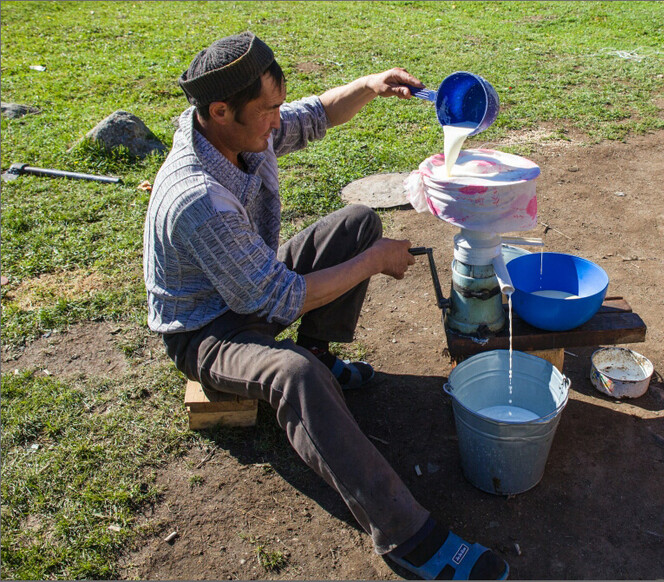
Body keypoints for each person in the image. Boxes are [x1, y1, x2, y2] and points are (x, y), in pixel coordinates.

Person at [143, 32, 509, 580]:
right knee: (295, 374)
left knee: (357, 223)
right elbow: (276, 296)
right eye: (267, 111)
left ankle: (320, 351)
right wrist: (373, 263)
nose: (276, 122)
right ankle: (408, 536)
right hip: (207, 328)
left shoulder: (233, 130)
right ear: (220, 111)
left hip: (251, 283)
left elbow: (311, 116)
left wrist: (369, 86)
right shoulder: (199, 195)